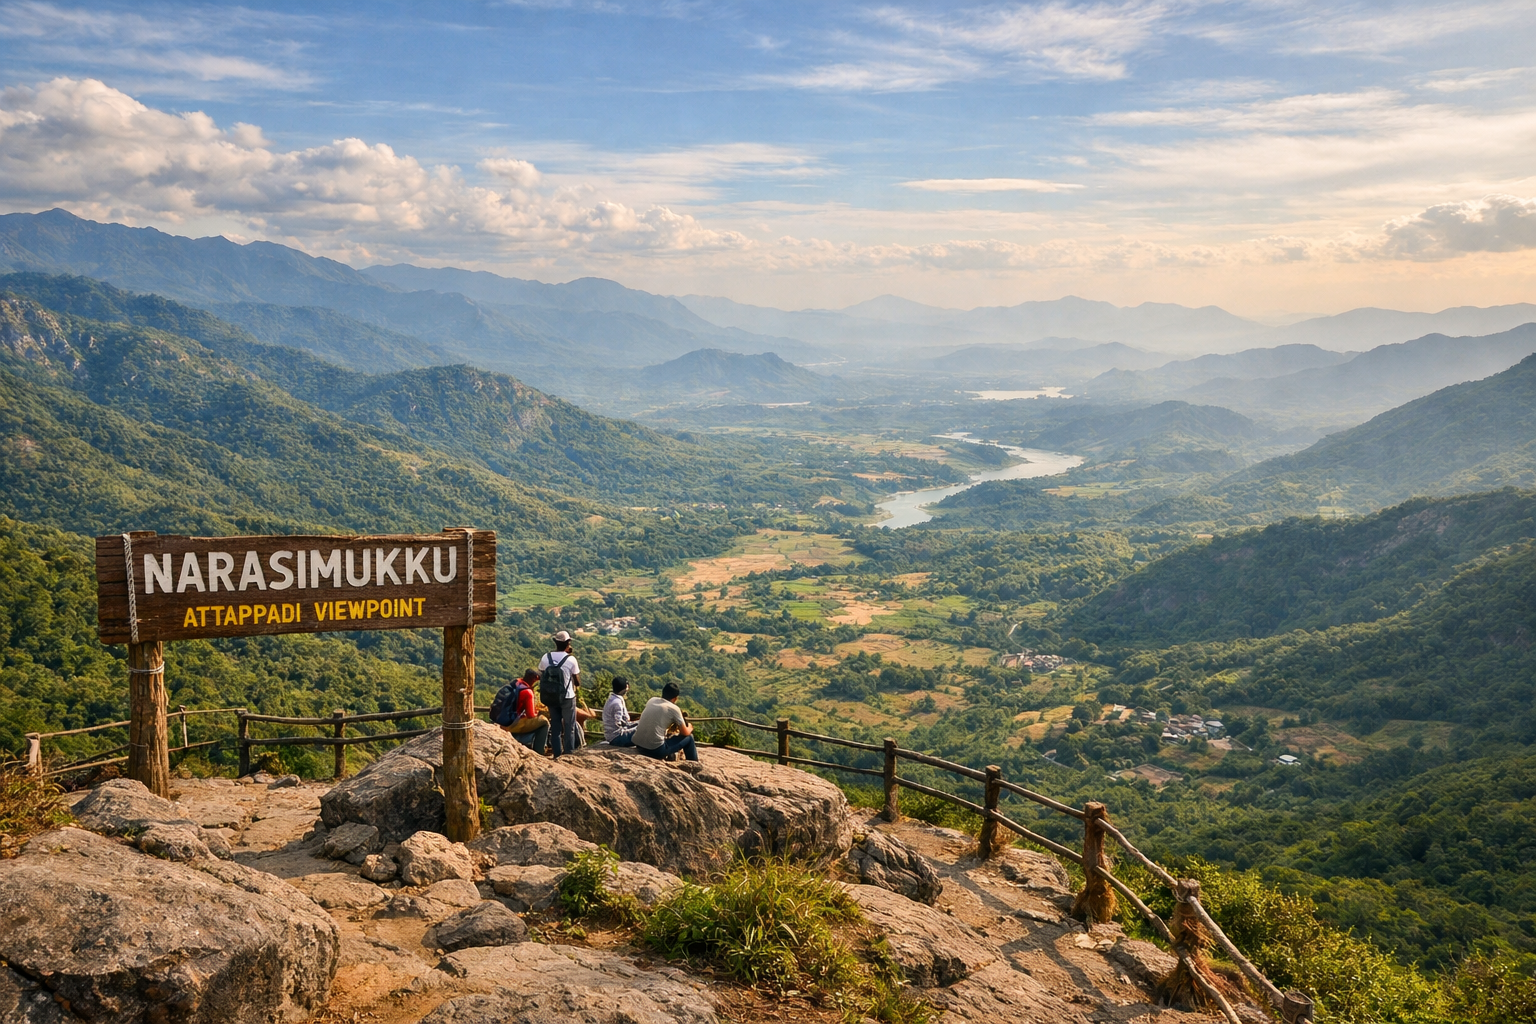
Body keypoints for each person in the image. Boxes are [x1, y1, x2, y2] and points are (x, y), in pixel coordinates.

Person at [538, 631, 580, 758]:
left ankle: (557, 754)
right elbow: (577, 681)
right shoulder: (571, 660)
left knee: (555, 726)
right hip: (567, 697)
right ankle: (568, 754)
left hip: (551, 696)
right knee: (569, 726)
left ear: (555, 642)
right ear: (568, 643)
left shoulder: (546, 657)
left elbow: (541, 674)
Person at [632, 682, 698, 761]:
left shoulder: (652, 700)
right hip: (655, 750)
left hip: (639, 745)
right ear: (675, 698)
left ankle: (671, 756)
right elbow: (685, 733)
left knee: (664, 738)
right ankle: (694, 764)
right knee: (689, 738)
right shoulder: (674, 708)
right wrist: (690, 727)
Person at [500, 669, 549, 752]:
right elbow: (530, 715)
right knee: (544, 721)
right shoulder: (527, 692)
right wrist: (537, 713)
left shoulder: (515, 682)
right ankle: (539, 750)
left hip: (502, 720)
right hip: (511, 725)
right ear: (535, 678)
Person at [602, 677, 637, 747]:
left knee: (640, 724)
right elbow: (618, 722)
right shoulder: (617, 703)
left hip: (610, 736)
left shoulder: (611, 699)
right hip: (617, 737)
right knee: (644, 729)